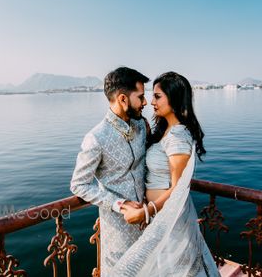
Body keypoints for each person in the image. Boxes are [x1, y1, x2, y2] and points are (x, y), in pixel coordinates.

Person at [112, 72, 220, 276]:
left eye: (158, 96)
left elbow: (178, 189)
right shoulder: (164, 131)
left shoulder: (178, 136)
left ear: (175, 98)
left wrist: (148, 210)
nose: (152, 102)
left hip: (172, 219)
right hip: (160, 217)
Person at [70, 67, 150, 276]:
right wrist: (119, 204)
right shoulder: (96, 138)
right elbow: (79, 184)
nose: (145, 102)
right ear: (123, 99)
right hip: (119, 230)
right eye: (141, 97)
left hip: (149, 219)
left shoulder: (142, 126)